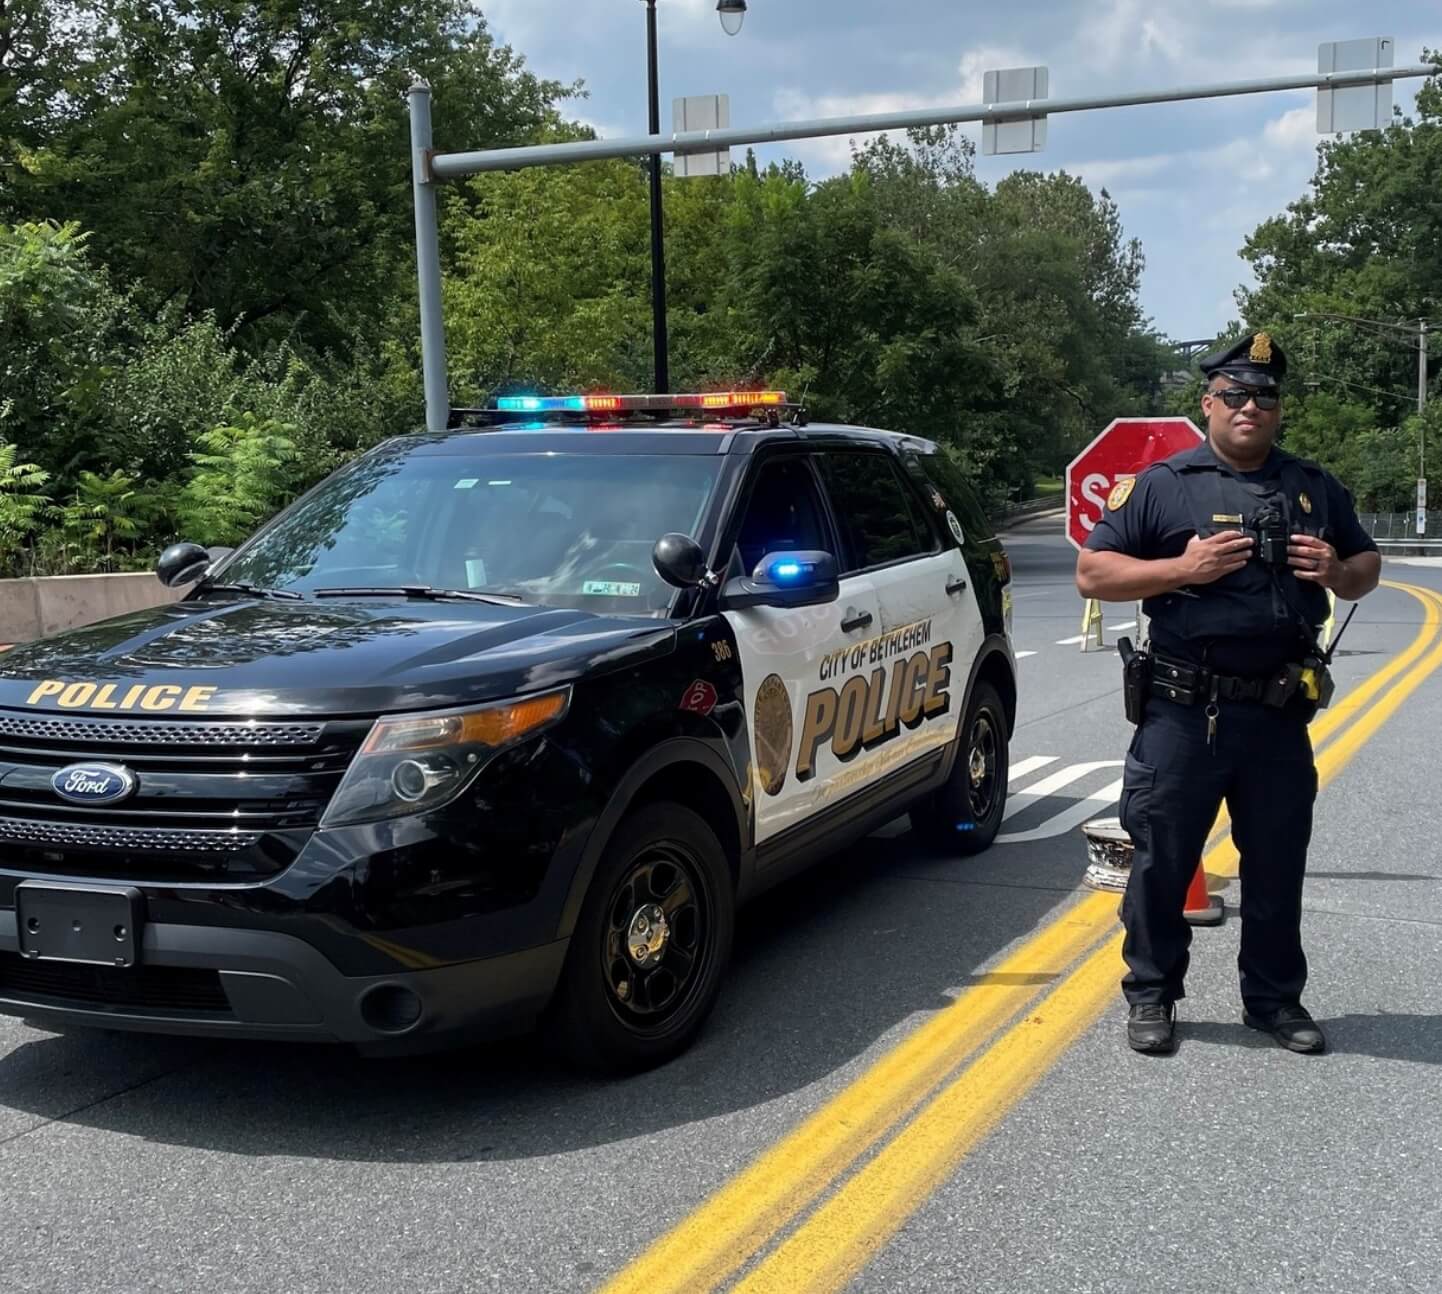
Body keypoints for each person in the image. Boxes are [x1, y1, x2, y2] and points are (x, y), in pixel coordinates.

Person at [1075, 331, 1381, 1056]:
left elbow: (1368, 565)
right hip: (1183, 712)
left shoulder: (1313, 486)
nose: (1251, 407)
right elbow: (1094, 573)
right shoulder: (1163, 485)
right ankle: (1151, 994)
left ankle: (1274, 1001)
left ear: (1278, 410)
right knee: (1161, 862)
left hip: (1277, 714)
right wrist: (1183, 569)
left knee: (1278, 864)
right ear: (1209, 403)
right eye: (1235, 395)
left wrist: (1338, 569)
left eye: (1265, 397)